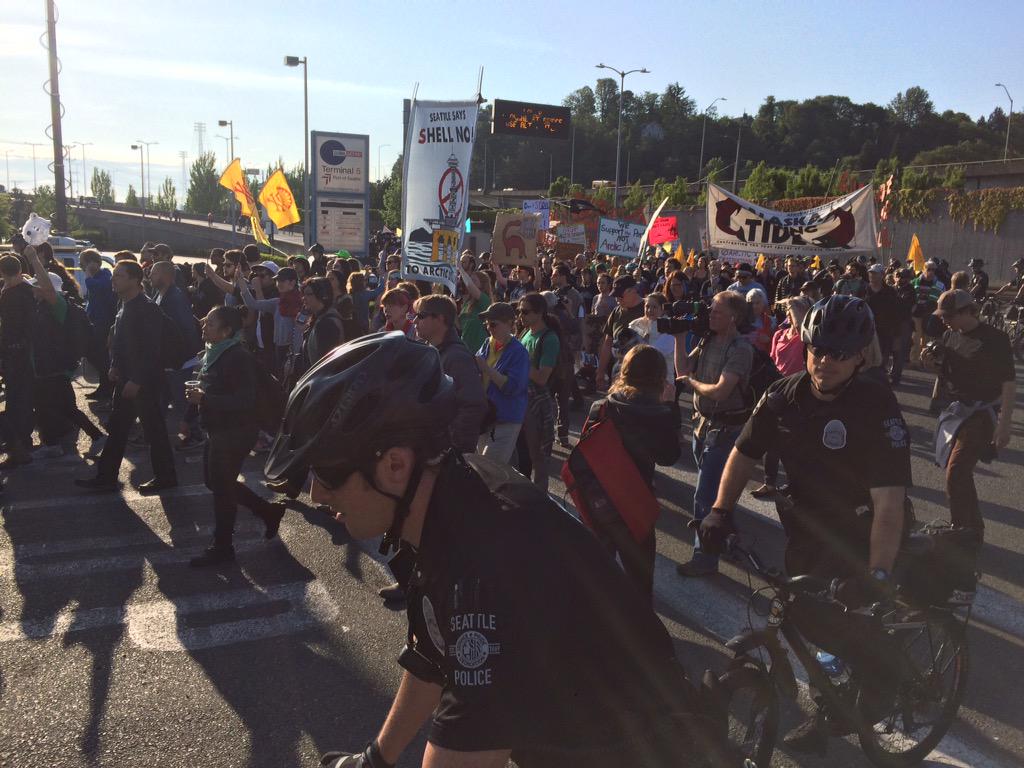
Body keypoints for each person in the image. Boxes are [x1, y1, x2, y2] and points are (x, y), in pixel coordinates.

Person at [264, 333, 732, 768]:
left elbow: (463, 749)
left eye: (326, 476)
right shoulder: (450, 493)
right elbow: (432, 655)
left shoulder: (487, 563)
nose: (316, 496)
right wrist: (376, 759)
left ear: (393, 465)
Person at [697, 294, 912, 753]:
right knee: (807, 622)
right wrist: (719, 510)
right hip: (807, 530)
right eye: (816, 349)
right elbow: (742, 454)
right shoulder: (782, 395)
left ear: (859, 356)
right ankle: (829, 706)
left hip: (863, 533)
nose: (824, 362)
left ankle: (882, 681)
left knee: (853, 626)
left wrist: (877, 575)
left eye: (838, 354)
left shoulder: (875, 405)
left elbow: (890, 502)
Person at [186, 306, 287, 567]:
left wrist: (206, 398)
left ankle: (222, 547)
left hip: (236, 430)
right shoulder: (215, 353)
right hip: (218, 428)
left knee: (221, 487)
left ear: (227, 330)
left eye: (210, 323)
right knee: (216, 482)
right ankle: (267, 510)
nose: (204, 326)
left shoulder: (237, 356)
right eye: (205, 322)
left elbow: (245, 400)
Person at [587, 345, 681, 596]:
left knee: (599, 577)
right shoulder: (658, 414)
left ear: (624, 371)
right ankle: (640, 630)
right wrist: (672, 408)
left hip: (601, 501)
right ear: (659, 377)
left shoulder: (602, 407)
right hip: (636, 503)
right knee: (639, 582)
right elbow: (669, 456)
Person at [76, 260, 177, 494]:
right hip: (126, 379)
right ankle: (107, 476)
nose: (113, 280)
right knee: (118, 429)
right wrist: (114, 366)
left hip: (144, 382)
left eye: (119, 276)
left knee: (154, 431)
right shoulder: (125, 305)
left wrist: (137, 380)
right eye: (114, 276)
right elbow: (121, 343)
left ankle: (166, 477)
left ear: (134, 279)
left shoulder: (146, 308)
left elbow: (151, 349)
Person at [924, 289, 1015, 545]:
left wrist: (1005, 424)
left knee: (956, 471)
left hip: (981, 413)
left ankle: (965, 530)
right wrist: (931, 365)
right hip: (956, 411)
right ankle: (968, 527)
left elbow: (1008, 383)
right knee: (958, 472)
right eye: (942, 315)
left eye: (950, 315)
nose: (944, 320)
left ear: (967, 311)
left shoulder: (995, 339)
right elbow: (947, 376)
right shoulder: (949, 335)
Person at [673, 290, 753, 577]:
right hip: (702, 425)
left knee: (705, 495)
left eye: (717, 312)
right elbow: (683, 369)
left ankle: (704, 558)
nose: (710, 314)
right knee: (716, 491)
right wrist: (679, 337)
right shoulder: (707, 338)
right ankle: (726, 535)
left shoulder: (740, 349)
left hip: (725, 429)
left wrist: (692, 384)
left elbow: (721, 391)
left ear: (733, 318)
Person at [22, 248, 106, 459]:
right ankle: (95, 437)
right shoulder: (43, 306)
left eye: (36, 287)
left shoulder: (58, 305)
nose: (33, 290)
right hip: (50, 367)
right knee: (63, 407)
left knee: (49, 407)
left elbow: (49, 290)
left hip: (54, 367)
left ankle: (53, 444)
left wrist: (33, 259)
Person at [751, 296, 812, 499]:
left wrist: (796, 308)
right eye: (789, 310)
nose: (789, 312)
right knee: (771, 440)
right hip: (776, 391)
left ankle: (797, 483)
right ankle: (769, 482)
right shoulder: (779, 334)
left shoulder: (805, 338)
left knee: (792, 442)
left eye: (793, 310)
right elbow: (773, 360)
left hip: (798, 392)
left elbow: (802, 329)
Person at [150, 261, 204, 449]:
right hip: (167, 361)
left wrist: (177, 359)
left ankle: (196, 436)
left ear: (165, 276)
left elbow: (185, 331)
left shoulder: (175, 298)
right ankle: (152, 433)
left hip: (179, 362)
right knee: (161, 400)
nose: (150, 276)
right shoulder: (159, 294)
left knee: (183, 403)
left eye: (154, 273)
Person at [475, 302, 529, 462]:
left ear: (509, 324)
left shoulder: (519, 352)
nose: (489, 328)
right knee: (484, 466)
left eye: (493, 324)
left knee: (489, 470)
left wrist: (485, 368)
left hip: (506, 418)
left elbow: (512, 387)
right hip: (486, 416)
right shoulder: (488, 344)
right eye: (487, 324)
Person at [516, 293, 559, 491]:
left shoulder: (549, 339)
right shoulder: (525, 332)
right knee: (521, 453)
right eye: (519, 311)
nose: (521, 316)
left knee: (539, 457)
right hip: (520, 400)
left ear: (540, 313)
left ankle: (540, 500)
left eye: (525, 312)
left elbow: (542, 377)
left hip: (537, 404)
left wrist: (519, 362)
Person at [0, 254, 38, 464]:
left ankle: (18, 445)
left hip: (14, 354)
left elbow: (8, 329)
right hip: (27, 353)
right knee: (22, 400)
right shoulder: (28, 290)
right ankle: (22, 440)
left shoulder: (10, 295)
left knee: (15, 401)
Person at [238, 264, 302, 375]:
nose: (279, 284)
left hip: (295, 353)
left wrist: (293, 359)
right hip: (278, 349)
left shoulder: (303, 302)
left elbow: (299, 332)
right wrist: (241, 282)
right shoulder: (277, 302)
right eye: (277, 281)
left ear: (292, 282)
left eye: (282, 281)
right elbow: (252, 304)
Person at [79, 249, 117, 402]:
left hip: (104, 324)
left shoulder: (105, 275)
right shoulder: (97, 277)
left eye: (83, 263)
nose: (81, 267)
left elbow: (95, 287)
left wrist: (88, 273)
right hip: (95, 322)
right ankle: (104, 386)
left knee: (101, 357)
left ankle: (107, 387)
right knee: (93, 354)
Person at [596, 275, 644, 389]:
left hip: (642, 373)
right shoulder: (616, 312)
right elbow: (607, 343)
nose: (617, 299)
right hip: (619, 370)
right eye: (615, 296)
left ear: (633, 291)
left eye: (620, 296)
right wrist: (600, 371)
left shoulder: (648, 309)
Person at [865, 263, 902, 384]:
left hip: (885, 331)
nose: (872, 275)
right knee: (866, 357)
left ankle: (879, 382)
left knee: (882, 358)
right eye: (870, 273)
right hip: (867, 329)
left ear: (882, 275)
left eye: (875, 273)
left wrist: (896, 333)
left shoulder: (890, 292)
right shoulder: (864, 289)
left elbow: (896, 313)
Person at [457, 265, 491, 356]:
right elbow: (461, 326)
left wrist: (460, 268)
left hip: (478, 347)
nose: (471, 282)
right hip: (466, 346)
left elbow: (469, 285)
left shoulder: (485, 299)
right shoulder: (467, 302)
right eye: (470, 279)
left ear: (482, 284)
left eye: (474, 280)